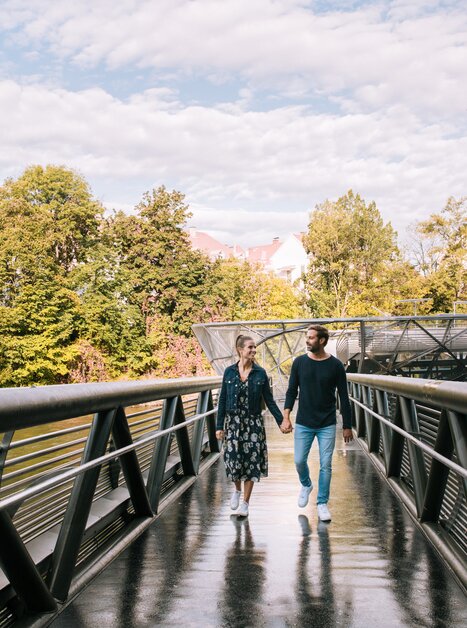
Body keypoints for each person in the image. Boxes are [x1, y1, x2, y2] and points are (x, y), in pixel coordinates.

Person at [280, 324, 353, 521]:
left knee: (326, 465)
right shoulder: (299, 363)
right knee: (299, 460)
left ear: (321, 341)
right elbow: (291, 391)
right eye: (307, 337)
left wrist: (347, 425)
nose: (307, 340)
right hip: (304, 421)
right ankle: (306, 484)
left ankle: (322, 503)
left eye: (311, 337)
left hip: (327, 422)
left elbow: (344, 398)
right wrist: (286, 417)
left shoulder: (336, 365)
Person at [216, 334, 284, 517]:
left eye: (254, 347)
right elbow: (222, 399)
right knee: (233, 460)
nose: (254, 350)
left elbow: (269, 400)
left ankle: (245, 503)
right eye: (250, 347)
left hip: (253, 423)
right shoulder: (229, 372)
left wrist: (281, 421)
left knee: (252, 462)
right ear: (240, 350)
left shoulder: (260, 373)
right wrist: (219, 425)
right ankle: (237, 490)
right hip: (233, 423)